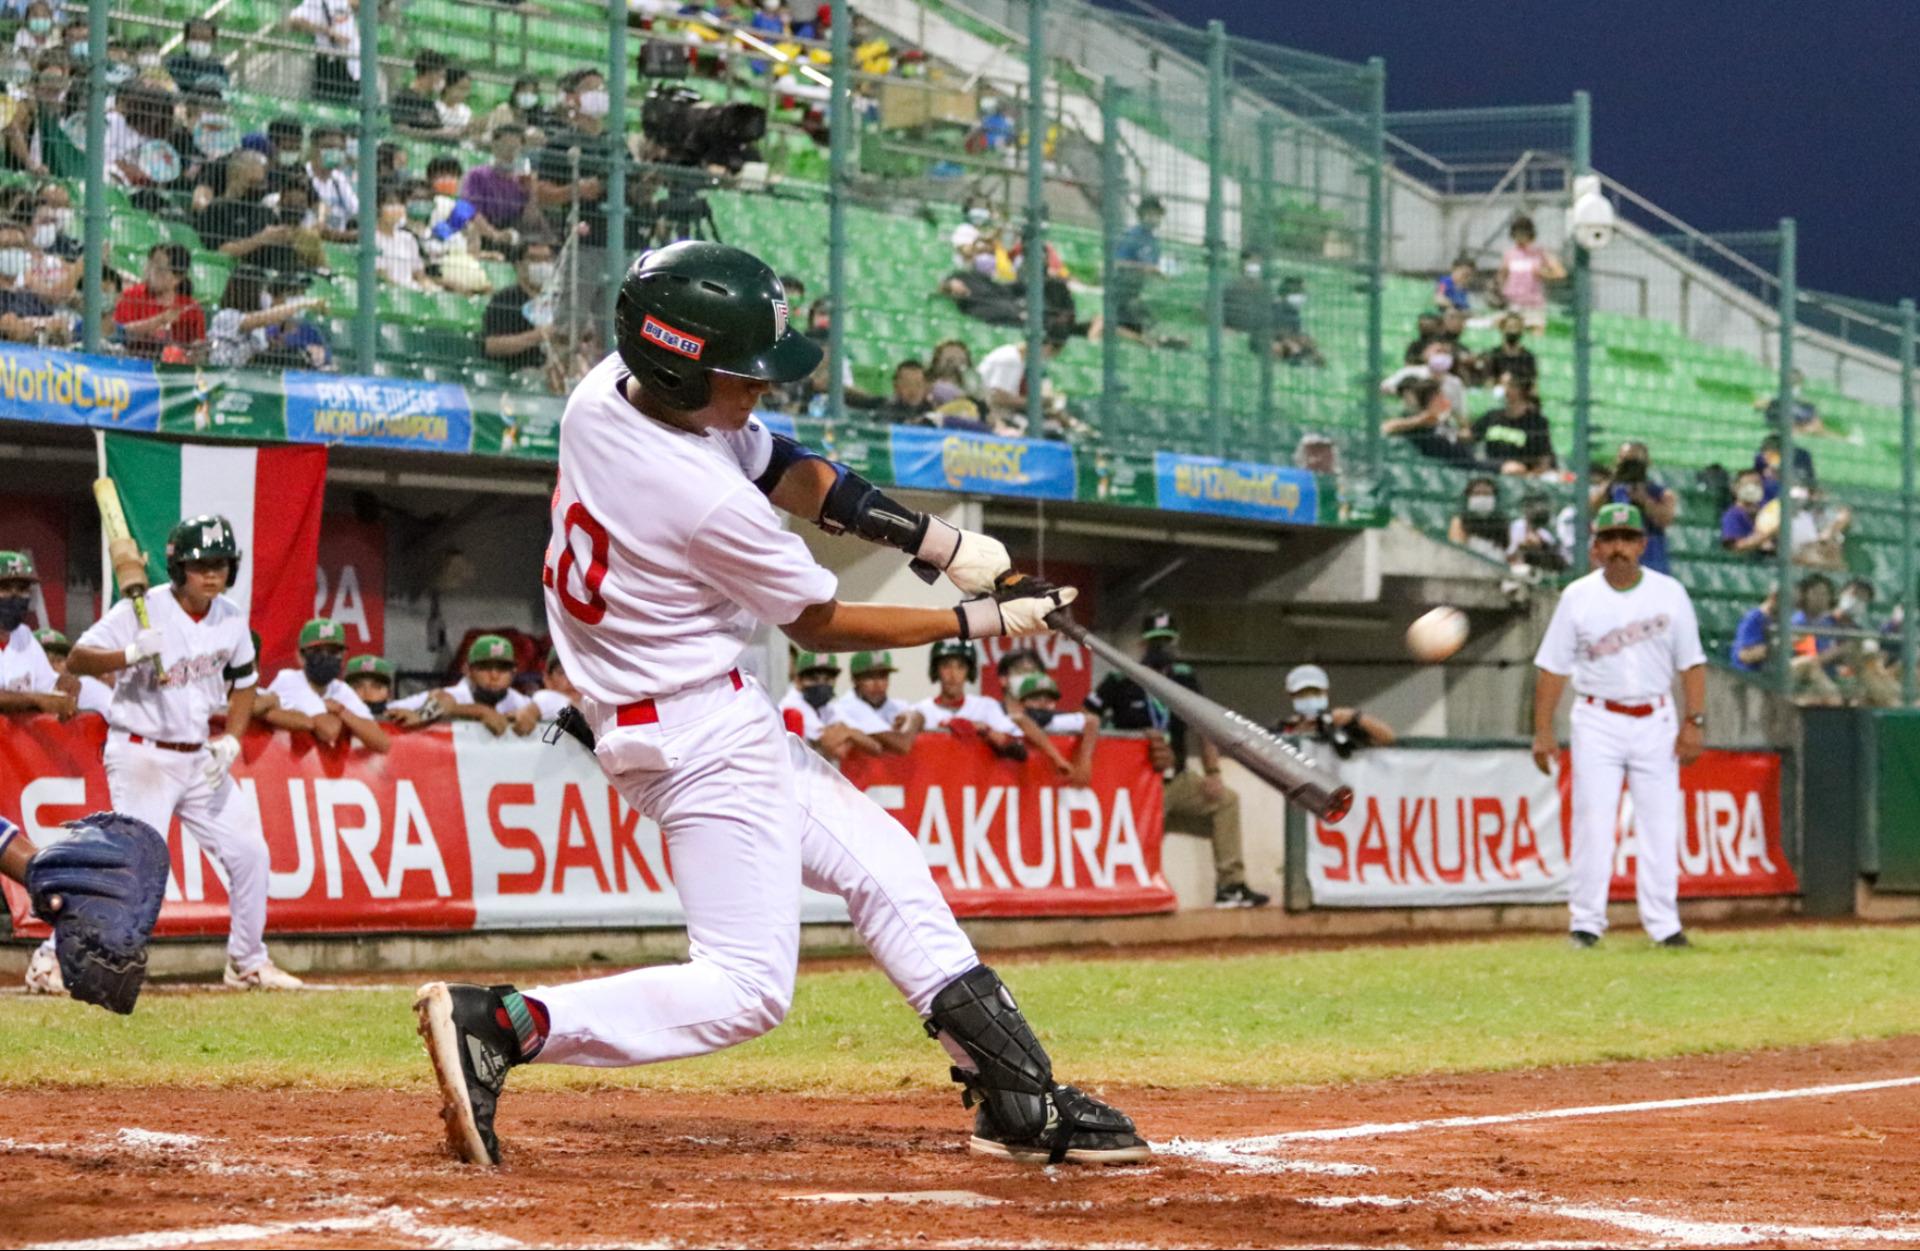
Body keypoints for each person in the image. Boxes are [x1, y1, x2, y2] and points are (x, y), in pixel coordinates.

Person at [413, 240, 1144, 1170]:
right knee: (747, 987)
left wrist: (932, 537)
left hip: (684, 712)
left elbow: (787, 465)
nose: (759, 391)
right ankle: (505, 1023)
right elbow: (821, 625)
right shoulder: (701, 498)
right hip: (694, 732)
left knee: (885, 865)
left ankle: (1019, 1097)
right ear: (680, 368)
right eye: (740, 375)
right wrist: (973, 619)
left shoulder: (607, 389)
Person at [59, 515, 304, 989]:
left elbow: (246, 684)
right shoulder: (142, 608)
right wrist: (128, 654)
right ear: (179, 568)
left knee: (250, 852)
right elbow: (77, 658)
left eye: (221, 564)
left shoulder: (230, 617)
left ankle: (248, 961)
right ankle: (55, 956)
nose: (212, 574)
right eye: (201, 565)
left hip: (198, 758)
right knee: (130, 865)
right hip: (141, 753)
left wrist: (231, 738)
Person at [1531, 502, 1705, 949]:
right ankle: (1586, 923)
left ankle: (1664, 925)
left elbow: (1692, 665)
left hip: (1656, 718)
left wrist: (1694, 721)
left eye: (1627, 539)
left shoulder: (1669, 593)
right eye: (1609, 540)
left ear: (1642, 546)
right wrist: (1543, 730)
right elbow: (1552, 668)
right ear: (1595, 548)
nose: (1618, 549)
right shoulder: (1578, 597)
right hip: (1597, 717)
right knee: (1593, 820)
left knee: (1660, 824)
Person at [1086, 610, 1265, 909]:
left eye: (1166, 643)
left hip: (1176, 779)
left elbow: (1204, 723)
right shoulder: (1120, 678)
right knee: (1122, 832)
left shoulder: (1183, 677)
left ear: (1176, 644)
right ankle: (1121, 893)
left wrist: (1212, 771)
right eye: (1156, 643)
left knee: (1226, 801)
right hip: (1134, 786)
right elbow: (1087, 716)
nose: (1162, 651)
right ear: (1143, 646)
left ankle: (1230, 886)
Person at [261, 617, 391, 752]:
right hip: (270, 759)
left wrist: (341, 711)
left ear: (343, 656)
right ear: (300, 657)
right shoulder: (289, 680)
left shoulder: (339, 688)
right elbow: (328, 731)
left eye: (333, 652)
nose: (326, 658)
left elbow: (382, 743)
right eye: (317, 652)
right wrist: (340, 716)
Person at [390, 634, 535, 736]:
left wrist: (532, 715)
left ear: (514, 672)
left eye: (502, 668)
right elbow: (386, 713)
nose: (494, 675)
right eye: (484, 667)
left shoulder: (521, 702)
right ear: (467, 670)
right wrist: (479, 711)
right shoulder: (452, 695)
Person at [911, 639, 1026, 761]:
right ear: (936, 670)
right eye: (946, 665)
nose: (953, 674)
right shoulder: (920, 710)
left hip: (977, 779)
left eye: (960, 667)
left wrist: (985, 730)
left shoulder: (985, 707)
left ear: (969, 671)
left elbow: (1019, 746)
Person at [0, 551, 71, 718]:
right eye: (5, 588)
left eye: (22, 589)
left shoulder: (24, 636)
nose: (15, 596)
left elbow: (48, 686)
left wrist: (66, 686)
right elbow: (39, 698)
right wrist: (34, 699)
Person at [1591, 441, 1676, 575]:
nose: (1630, 468)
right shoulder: (1609, 489)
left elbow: (1665, 519)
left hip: (1649, 554)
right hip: (1615, 550)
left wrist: (1644, 500)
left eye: (1635, 462)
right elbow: (1591, 508)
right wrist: (1614, 478)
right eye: (1625, 461)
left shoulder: (1660, 493)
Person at [1274, 664, 1395, 757]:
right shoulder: (1283, 729)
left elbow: (1388, 738)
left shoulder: (1340, 724)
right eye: (1302, 694)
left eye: (1315, 692)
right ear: (1291, 696)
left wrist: (1356, 718)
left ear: (1326, 692)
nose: (1309, 698)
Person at [823, 649, 924, 757]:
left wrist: (915, 716)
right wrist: (914, 718)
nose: (877, 685)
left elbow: (922, 719)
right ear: (855, 679)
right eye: (869, 677)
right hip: (850, 772)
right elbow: (902, 745)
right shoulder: (845, 707)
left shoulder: (897, 705)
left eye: (882, 676)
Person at [112, 242, 203, 359]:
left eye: (158, 269)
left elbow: (198, 347)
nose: (149, 272)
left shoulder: (191, 308)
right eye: (149, 265)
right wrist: (161, 319)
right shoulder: (131, 296)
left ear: (177, 278)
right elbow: (119, 333)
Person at [1011, 670, 1096, 786]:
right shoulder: (1014, 717)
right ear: (1022, 702)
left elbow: (1091, 721)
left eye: (1048, 699)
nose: (1042, 703)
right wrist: (1058, 759)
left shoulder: (1054, 719)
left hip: (1048, 784)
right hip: (1013, 778)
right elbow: (1021, 719)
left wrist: (1084, 762)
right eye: (1035, 698)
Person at [777, 649, 861, 763]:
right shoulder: (793, 705)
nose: (821, 685)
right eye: (813, 679)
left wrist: (848, 732)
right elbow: (836, 750)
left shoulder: (825, 706)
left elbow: (861, 741)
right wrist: (848, 732)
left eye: (827, 679)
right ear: (798, 680)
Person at [1470, 375, 1554, 474]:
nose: (1504, 390)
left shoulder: (1536, 422)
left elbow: (1544, 459)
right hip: (1491, 472)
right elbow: (1469, 436)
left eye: (1508, 385)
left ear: (1519, 389)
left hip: (1521, 477)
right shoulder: (1492, 416)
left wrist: (1529, 476)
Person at [1109, 195, 1164, 341]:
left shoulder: (1154, 243)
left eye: (1156, 214)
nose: (1153, 218)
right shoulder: (1132, 236)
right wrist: (1143, 268)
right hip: (1122, 291)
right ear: (1141, 215)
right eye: (1150, 214)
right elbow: (1117, 263)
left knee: (1150, 322)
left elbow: (1153, 267)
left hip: (1136, 291)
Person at [1498, 214, 1563, 334]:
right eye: (1517, 234)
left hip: (1534, 303)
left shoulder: (1540, 253)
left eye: (1523, 233)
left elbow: (1560, 273)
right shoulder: (1509, 254)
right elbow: (1502, 275)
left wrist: (1543, 273)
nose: (1520, 237)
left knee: (1536, 332)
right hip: (1514, 303)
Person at [463, 126, 536, 233]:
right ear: (494, 146)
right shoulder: (477, 175)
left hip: (514, 233)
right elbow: (470, 211)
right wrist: (495, 235)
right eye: (505, 145)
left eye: (515, 147)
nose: (510, 152)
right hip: (483, 232)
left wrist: (532, 194)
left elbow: (530, 221)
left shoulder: (523, 180)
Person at [285, 0, 359, 104]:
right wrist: (328, 32)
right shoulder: (317, 2)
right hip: (333, 67)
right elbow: (293, 21)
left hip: (357, 67)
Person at [37, 627, 113, 715]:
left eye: (59, 659)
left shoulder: (88, 686)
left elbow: (117, 718)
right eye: (46, 659)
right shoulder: (22, 691)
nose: (53, 665)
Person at [373, 186, 435, 290]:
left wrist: (430, 288)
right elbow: (381, 276)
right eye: (390, 204)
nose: (396, 208)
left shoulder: (408, 238)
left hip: (413, 291)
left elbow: (419, 274)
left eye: (400, 204)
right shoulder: (373, 239)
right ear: (378, 208)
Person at [303, 125, 356, 240]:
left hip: (338, 242)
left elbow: (355, 210)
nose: (334, 152)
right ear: (314, 147)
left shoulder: (339, 179)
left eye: (339, 149)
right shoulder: (302, 174)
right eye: (328, 147)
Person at [1447, 476, 1510, 561]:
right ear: (1468, 497)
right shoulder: (1459, 522)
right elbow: (1457, 553)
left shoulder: (1503, 524)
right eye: (1477, 493)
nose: (1482, 498)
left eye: (1486, 494)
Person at [1508, 489, 1569, 574]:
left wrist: (1542, 544)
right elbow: (1510, 556)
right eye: (1532, 505)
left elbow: (1561, 561)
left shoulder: (1545, 534)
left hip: (1542, 572)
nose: (1538, 507)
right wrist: (1524, 545)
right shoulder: (1517, 526)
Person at [1756, 368, 1828, 438]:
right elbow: (1759, 404)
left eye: (1796, 382)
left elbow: (1817, 423)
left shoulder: (1807, 405)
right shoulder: (1775, 400)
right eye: (1792, 382)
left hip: (1801, 425)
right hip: (1789, 426)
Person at [1720, 468, 1772, 556]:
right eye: (1747, 484)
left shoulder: (1768, 510)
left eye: (1757, 484)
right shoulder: (1732, 515)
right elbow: (1735, 547)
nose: (1752, 489)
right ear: (1736, 488)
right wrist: (1762, 538)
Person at [166, 18, 227, 93]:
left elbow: (225, 94)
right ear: (185, 39)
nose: (199, 43)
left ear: (212, 41)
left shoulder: (219, 70)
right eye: (194, 37)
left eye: (205, 39)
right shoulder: (173, 64)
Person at [1481, 312, 1537, 387]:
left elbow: (1533, 386)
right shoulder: (1493, 355)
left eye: (1516, 327)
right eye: (1509, 327)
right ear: (1503, 329)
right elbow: (1488, 383)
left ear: (1521, 330)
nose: (1512, 331)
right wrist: (1500, 382)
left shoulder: (1528, 357)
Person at [876, 358, 935, 424]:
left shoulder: (932, 411)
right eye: (907, 384)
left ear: (925, 387)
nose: (913, 390)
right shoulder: (888, 410)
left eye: (918, 384)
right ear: (896, 387)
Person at [343, 654, 395, 718]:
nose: (367, 694)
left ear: (389, 693)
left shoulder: (403, 725)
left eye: (376, 687)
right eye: (357, 686)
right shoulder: (332, 725)